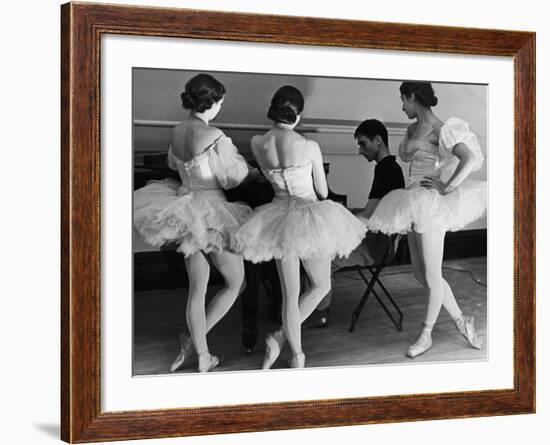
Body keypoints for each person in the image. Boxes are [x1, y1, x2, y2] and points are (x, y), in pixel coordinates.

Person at [233, 85, 367, 369]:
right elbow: (322, 191)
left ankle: (294, 353)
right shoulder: (308, 146)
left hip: (277, 216)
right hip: (307, 217)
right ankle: (280, 340)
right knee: (320, 285)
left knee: (289, 293)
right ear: (298, 114)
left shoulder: (258, 142)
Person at [133, 74, 254, 372]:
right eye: (220, 103)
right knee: (237, 283)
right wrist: (252, 173)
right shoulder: (214, 135)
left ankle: (201, 353)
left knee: (196, 288)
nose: (220, 109)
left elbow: (175, 165)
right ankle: (192, 340)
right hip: (211, 212)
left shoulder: (177, 131)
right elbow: (231, 177)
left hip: (184, 209)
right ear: (210, 102)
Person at [363, 81, 486, 358]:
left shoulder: (442, 129)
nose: (401, 106)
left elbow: (468, 159)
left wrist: (447, 186)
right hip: (411, 200)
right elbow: (409, 157)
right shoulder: (411, 129)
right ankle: (462, 322)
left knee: (431, 274)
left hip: (430, 204)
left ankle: (427, 334)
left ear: (412, 97)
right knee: (422, 274)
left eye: (402, 100)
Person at [308, 119, 405, 328]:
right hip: (379, 238)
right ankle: (312, 305)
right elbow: (373, 211)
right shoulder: (388, 167)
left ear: (378, 140)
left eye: (363, 144)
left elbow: (368, 217)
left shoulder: (386, 170)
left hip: (378, 246)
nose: (361, 151)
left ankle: (319, 311)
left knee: (321, 255)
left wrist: (335, 217)